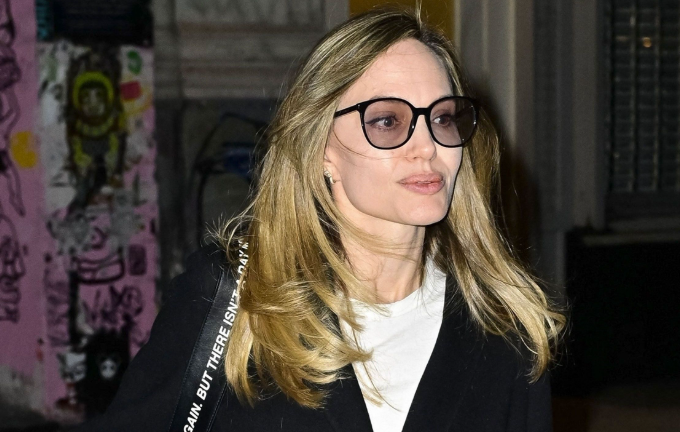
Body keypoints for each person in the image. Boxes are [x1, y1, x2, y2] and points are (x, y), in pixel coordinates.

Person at [74, 6, 565, 432]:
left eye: (442, 118)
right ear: (323, 149)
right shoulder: (238, 298)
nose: (427, 147)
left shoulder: (507, 327)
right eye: (387, 121)